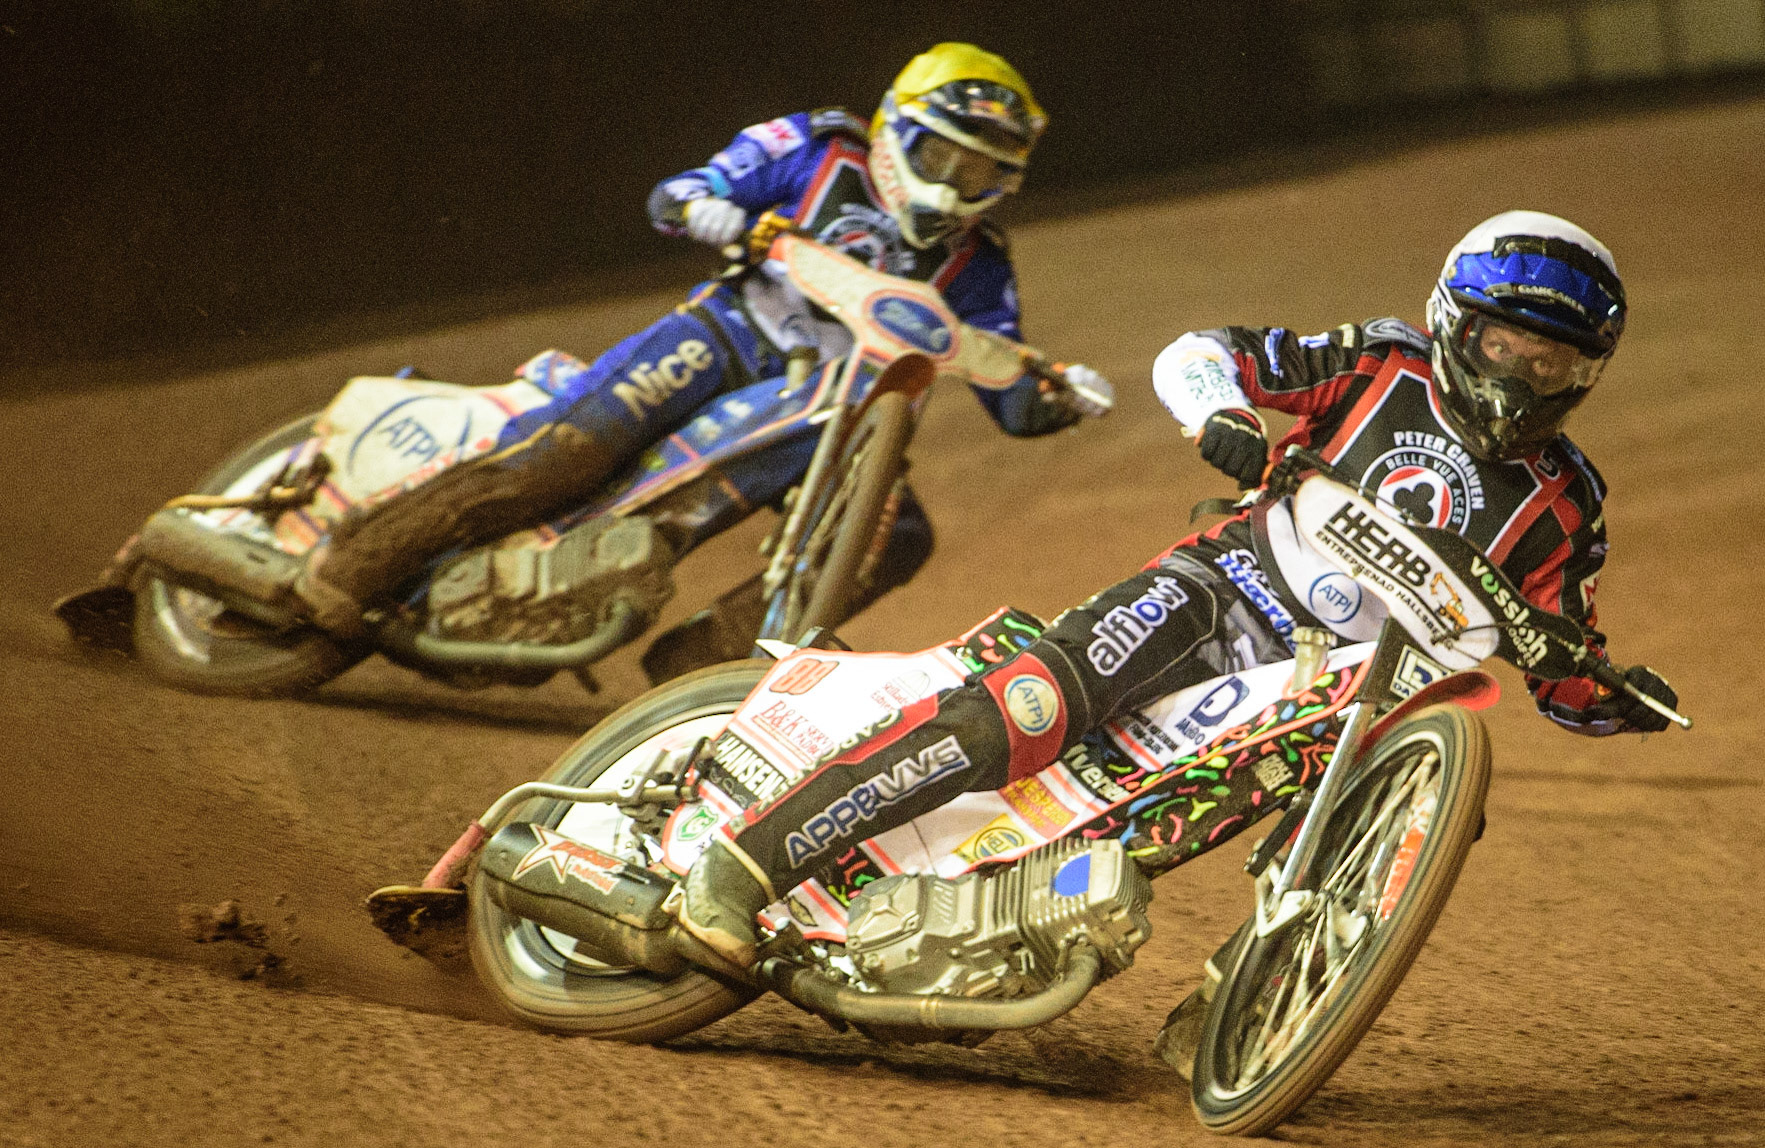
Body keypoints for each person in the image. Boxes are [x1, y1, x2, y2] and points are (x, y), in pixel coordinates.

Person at [677, 209, 1680, 968]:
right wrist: (1219, 417)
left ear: (1588, 370)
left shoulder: (1565, 504)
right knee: (1028, 711)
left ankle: (1245, 990)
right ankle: (747, 861)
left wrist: (1614, 696)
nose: (1523, 377)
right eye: (1507, 346)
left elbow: (1562, 658)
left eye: (1553, 361)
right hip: (1227, 587)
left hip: (1338, 698)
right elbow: (1202, 354)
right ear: (1458, 327)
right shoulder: (1381, 363)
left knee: (1369, 807)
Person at [293, 43, 1114, 638]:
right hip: (726, 335)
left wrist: (1057, 398)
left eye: (978, 174)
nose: (955, 185)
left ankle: (700, 674)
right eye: (943, 155)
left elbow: (1007, 388)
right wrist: (706, 207)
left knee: (895, 537)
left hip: (837, 410)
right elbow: (682, 192)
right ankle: (353, 567)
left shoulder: (980, 263)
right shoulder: (821, 148)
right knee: (565, 453)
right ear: (898, 128)